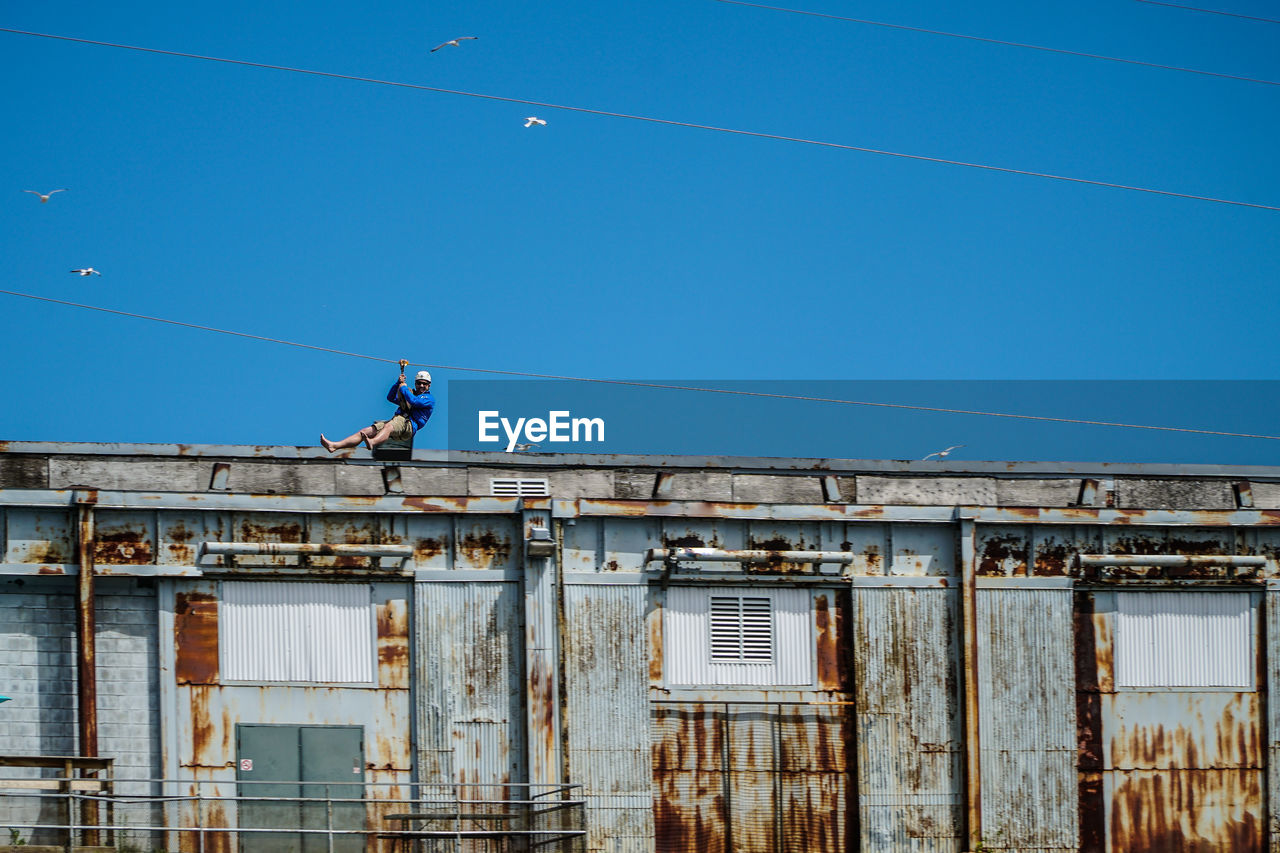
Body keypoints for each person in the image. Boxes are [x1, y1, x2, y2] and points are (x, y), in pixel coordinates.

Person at [321, 370, 435, 453]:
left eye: (424, 384)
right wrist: (397, 384)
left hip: (408, 425)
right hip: (399, 421)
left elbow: (414, 401)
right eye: (419, 383)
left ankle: (373, 442)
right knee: (366, 431)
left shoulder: (429, 399)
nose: (421, 386)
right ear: (415, 383)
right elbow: (390, 398)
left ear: (429, 386)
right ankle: (335, 446)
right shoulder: (411, 395)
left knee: (389, 427)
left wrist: (403, 387)